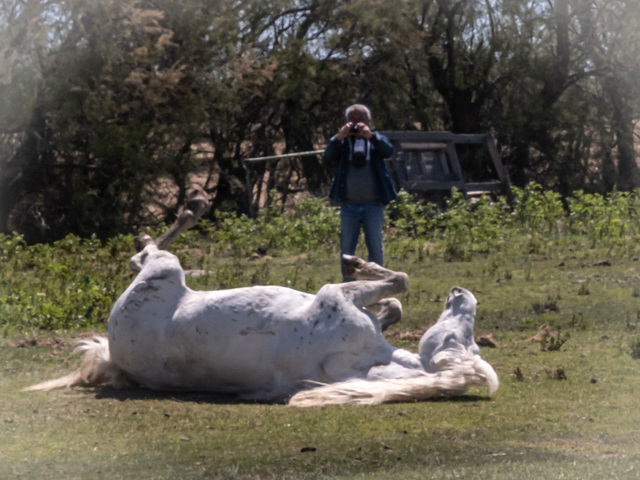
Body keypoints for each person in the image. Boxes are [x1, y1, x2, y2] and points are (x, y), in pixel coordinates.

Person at [324, 104, 397, 281]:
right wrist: (339, 137)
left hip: (373, 205)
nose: (357, 124)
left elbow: (389, 151)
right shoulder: (342, 142)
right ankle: (348, 286)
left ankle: (377, 283)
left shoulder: (376, 139)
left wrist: (370, 136)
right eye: (353, 120)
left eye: (361, 120)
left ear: (368, 121)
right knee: (347, 248)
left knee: (375, 247)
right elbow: (328, 155)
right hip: (349, 205)